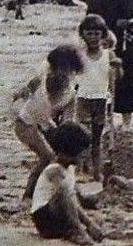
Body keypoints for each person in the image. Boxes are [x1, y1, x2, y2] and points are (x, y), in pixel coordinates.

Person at [11, 44, 85, 201]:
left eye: (65, 69)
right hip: (26, 125)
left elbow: (68, 120)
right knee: (50, 157)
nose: (60, 72)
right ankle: (30, 195)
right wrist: (18, 102)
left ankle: (45, 193)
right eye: (56, 67)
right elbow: (16, 97)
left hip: (45, 127)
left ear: (73, 70)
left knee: (51, 159)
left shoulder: (71, 92)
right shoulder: (39, 81)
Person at [30, 122, 105, 245]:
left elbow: (76, 196)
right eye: (81, 153)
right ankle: (77, 231)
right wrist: (87, 223)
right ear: (71, 152)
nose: (83, 157)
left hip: (60, 214)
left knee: (96, 217)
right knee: (65, 194)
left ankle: (72, 231)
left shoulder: (69, 169)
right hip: (45, 219)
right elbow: (67, 198)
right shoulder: (54, 170)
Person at [76, 14, 122, 183]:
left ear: (103, 35)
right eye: (89, 33)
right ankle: (79, 169)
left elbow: (117, 78)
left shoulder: (108, 55)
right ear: (83, 35)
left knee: (97, 139)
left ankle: (97, 172)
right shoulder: (79, 55)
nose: (93, 37)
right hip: (82, 99)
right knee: (82, 137)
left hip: (101, 100)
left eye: (97, 33)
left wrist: (117, 67)